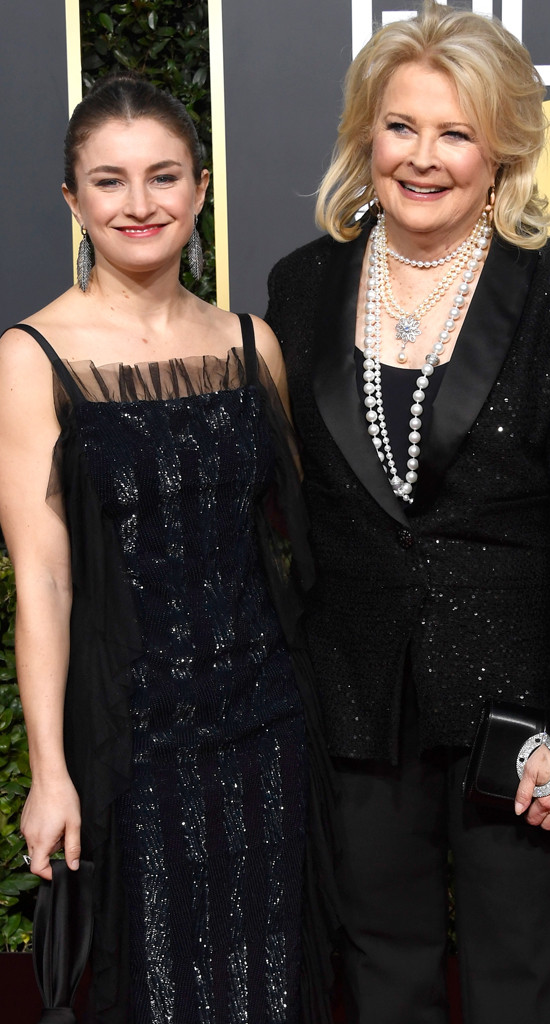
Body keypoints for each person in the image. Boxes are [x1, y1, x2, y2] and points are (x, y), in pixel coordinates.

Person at [265, 3, 550, 1022]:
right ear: (363, 134)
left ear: (501, 147)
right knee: (380, 973)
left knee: (520, 979)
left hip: (517, 720)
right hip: (356, 705)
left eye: (455, 132)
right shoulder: (300, 288)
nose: (421, 158)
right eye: (400, 127)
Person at [0, 74, 335, 1024]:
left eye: (163, 177)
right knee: (155, 982)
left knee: (268, 980)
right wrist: (50, 772)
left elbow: (292, 543)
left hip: (268, 725)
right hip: (131, 739)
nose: (139, 204)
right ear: (73, 200)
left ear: (200, 190)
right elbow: (47, 581)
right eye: (109, 182)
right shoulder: (31, 359)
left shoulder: (250, 345)